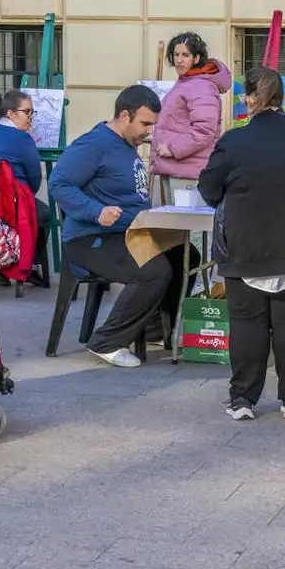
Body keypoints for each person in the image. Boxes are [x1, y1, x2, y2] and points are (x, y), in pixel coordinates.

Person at [198, 67, 285, 420]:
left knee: (247, 323)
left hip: (245, 247)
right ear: (281, 99)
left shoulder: (234, 140)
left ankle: (243, 399)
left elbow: (209, 189)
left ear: (249, 98)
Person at [49, 85, 197, 369]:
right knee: (154, 271)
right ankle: (106, 341)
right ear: (124, 115)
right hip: (91, 238)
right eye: (144, 124)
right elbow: (59, 183)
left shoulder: (127, 145)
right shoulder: (92, 145)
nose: (148, 132)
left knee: (186, 255)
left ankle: (151, 327)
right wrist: (96, 211)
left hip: (129, 233)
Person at [150, 32, 232, 201]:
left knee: (184, 224)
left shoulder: (201, 86)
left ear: (196, 58)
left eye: (185, 55)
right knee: (171, 225)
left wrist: (173, 148)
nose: (179, 60)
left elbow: (204, 130)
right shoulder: (188, 82)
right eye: (176, 55)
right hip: (175, 167)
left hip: (187, 172)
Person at [0, 89, 48, 284]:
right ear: (11, 113)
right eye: (27, 112)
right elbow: (34, 178)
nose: (31, 118)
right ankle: (31, 264)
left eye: (32, 112)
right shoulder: (23, 138)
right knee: (44, 213)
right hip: (16, 204)